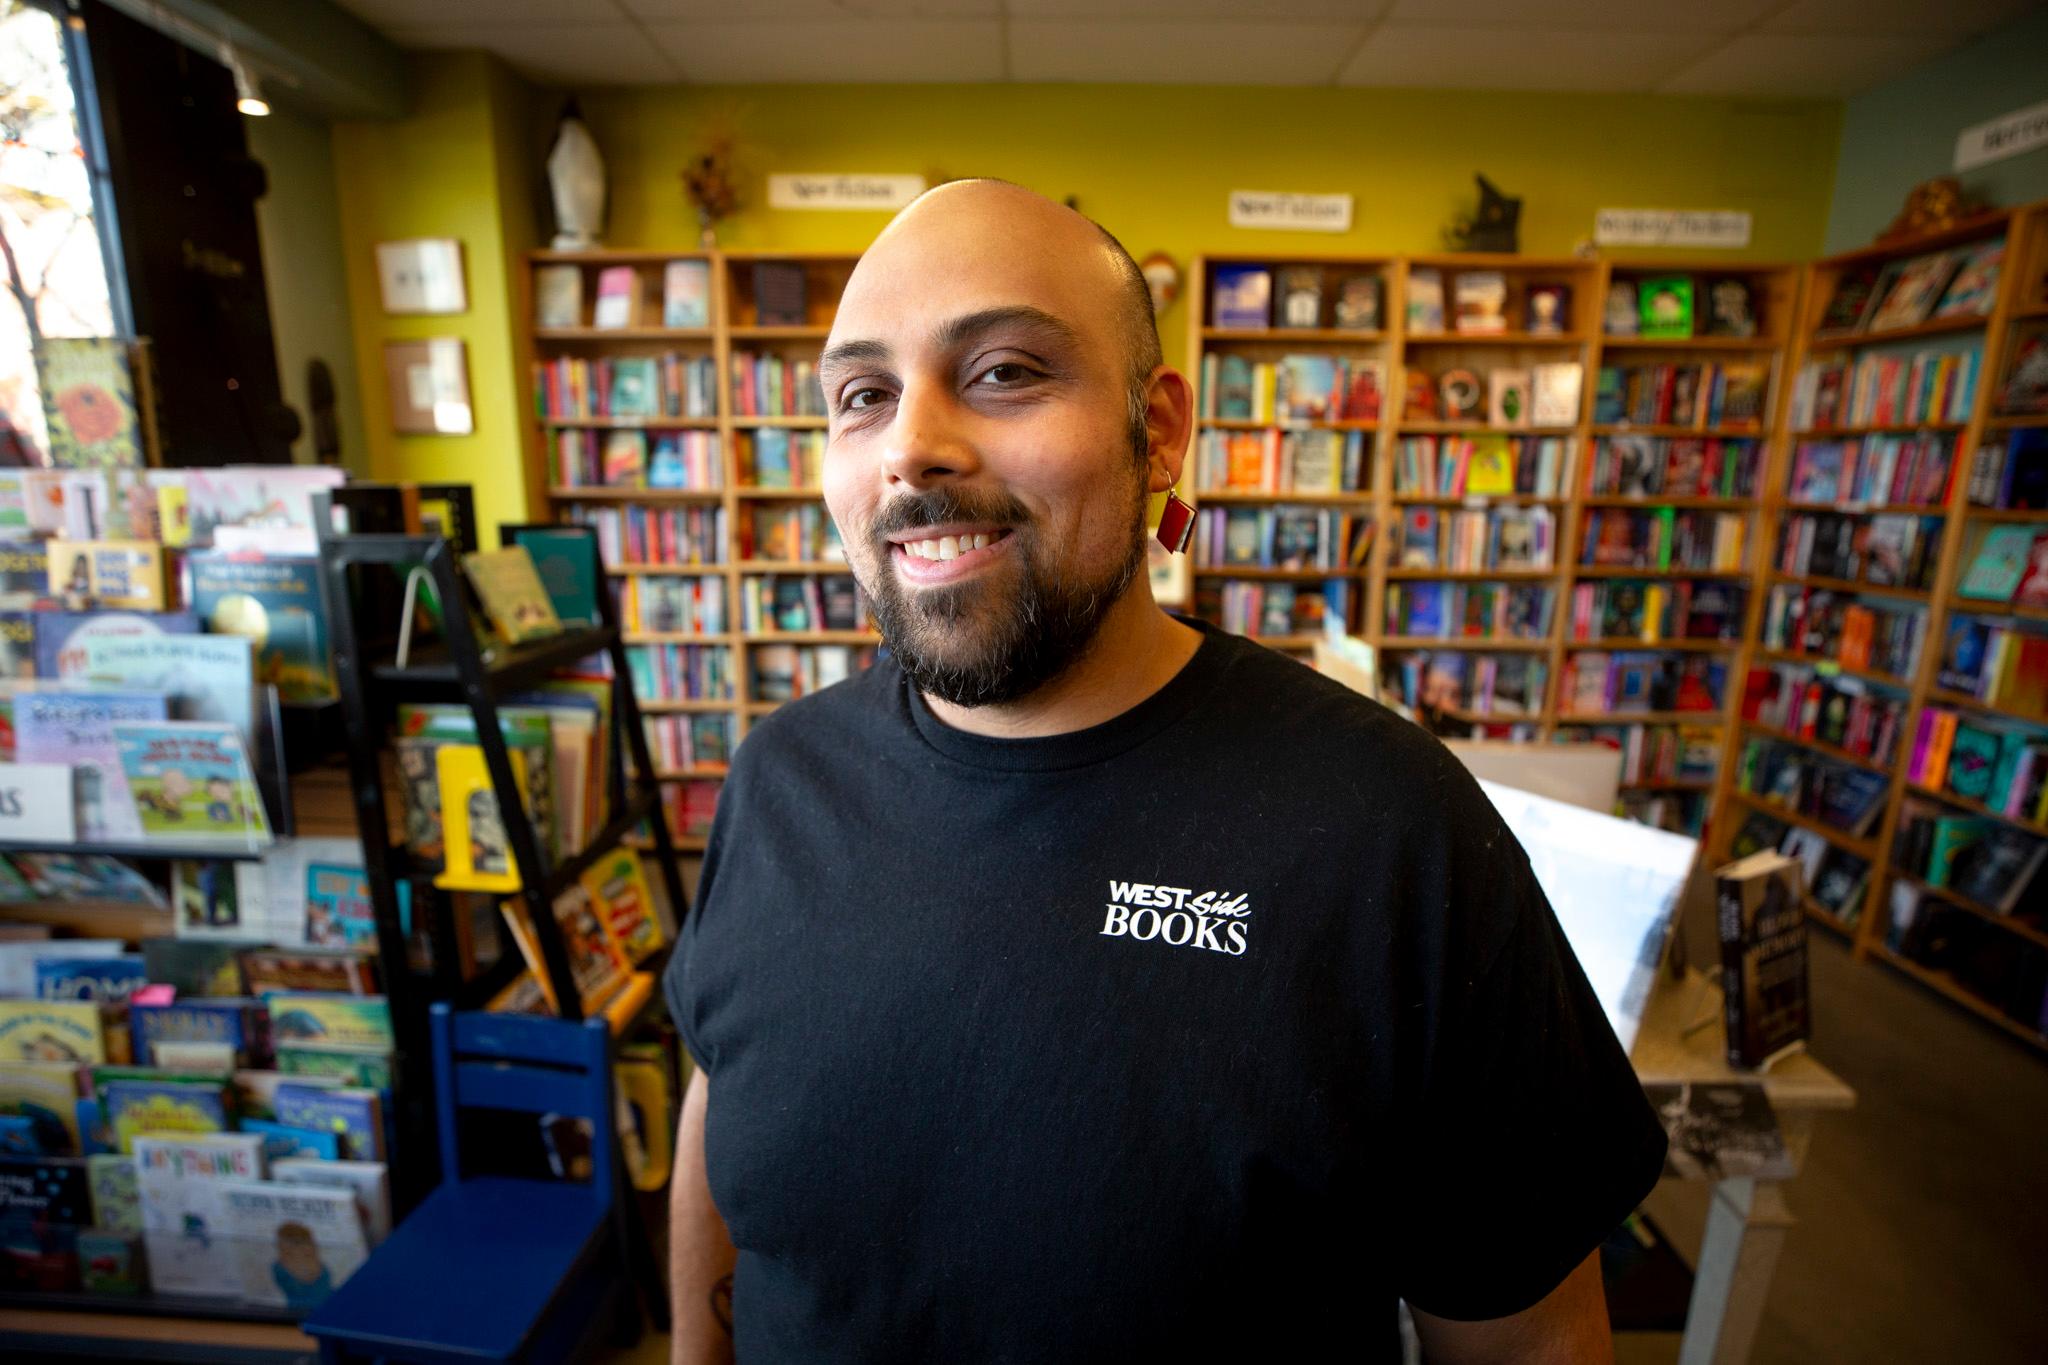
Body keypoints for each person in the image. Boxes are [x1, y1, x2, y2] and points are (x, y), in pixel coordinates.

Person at [664, 179, 1666, 1364]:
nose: (910, 448)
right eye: (863, 395)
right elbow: (717, 1127)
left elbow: (1530, 1339)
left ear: (1163, 431)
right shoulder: (778, 779)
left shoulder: (1388, 828)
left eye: (1003, 372)